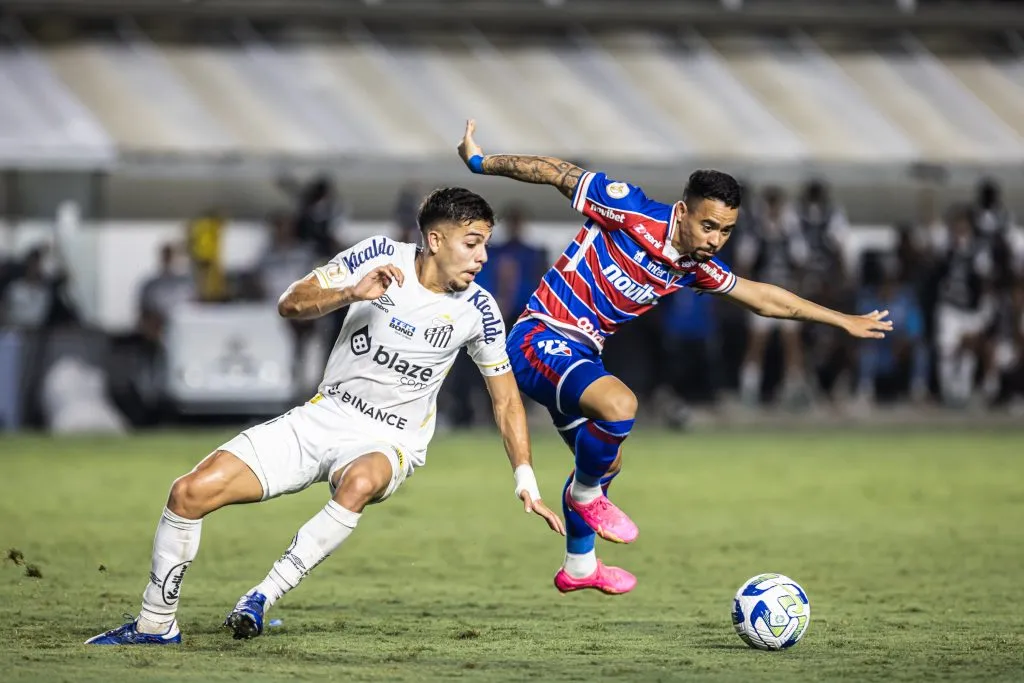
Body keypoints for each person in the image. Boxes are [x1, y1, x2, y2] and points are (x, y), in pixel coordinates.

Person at [86, 188, 565, 646]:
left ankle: (261, 596)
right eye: (473, 243)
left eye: (484, 244)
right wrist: (350, 294)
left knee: (358, 481)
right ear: (435, 240)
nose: (483, 257)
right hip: (324, 416)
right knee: (188, 493)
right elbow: (289, 303)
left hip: (391, 440)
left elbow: (505, 401)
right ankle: (155, 624)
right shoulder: (378, 255)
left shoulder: (479, 309)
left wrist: (526, 478)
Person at [457, 119, 892, 595]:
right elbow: (556, 171)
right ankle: (586, 497)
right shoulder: (628, 208)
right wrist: (483, 162)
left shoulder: (695, 267)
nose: (714, 240)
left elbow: (766, 299)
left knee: (608, 461)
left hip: (580, 352)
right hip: (538, 335)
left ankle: (579, 568)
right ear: (682, 211)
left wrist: (842, 320)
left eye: (725, 231)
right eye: (708, 225)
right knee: (620, 407)